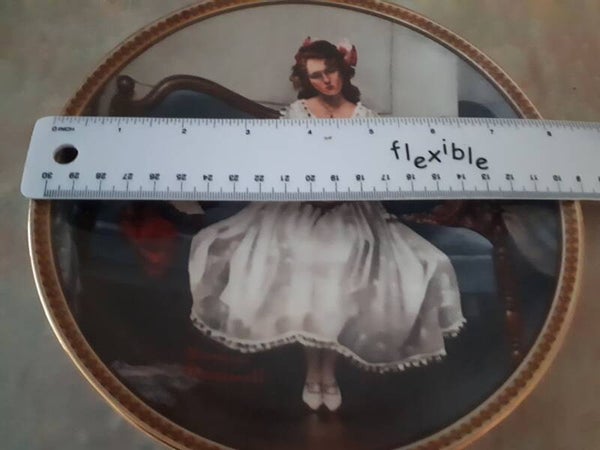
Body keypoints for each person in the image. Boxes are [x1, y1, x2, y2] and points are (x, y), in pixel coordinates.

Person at [188, 38, 465, 413]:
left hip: (353, 207)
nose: (326, 81)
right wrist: (309, 191)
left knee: (344, 256)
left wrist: (346, 190)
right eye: (316, 76)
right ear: (307, 80)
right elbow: (282, 167)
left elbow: (376, 172)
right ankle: (311, 371)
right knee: (304, 254)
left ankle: (327, 371)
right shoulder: (296, 114)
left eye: (331, 71)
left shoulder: (365, 118)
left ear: (344, 70)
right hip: (297, 205)